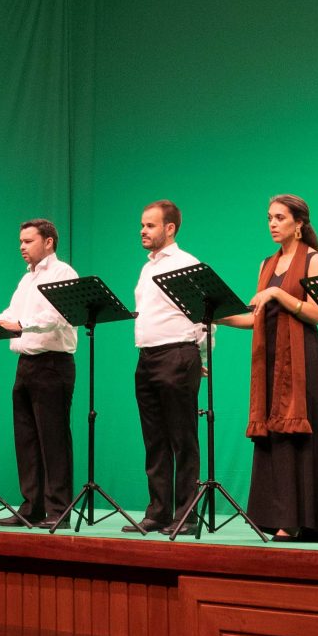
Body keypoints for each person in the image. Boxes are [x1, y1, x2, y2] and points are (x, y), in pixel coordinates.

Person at [217, 195, 318, 541]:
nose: (272, 223)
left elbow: (316, 314)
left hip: (300, 360)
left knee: (297, 433)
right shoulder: (266, 264)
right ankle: (276, 516)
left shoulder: (315, 260)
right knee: (272, 435)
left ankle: (301, 519)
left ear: (299, 224)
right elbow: (256, 317)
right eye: (269, 217)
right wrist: (218, 317)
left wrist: (278, 295)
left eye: (280, 217)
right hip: (268, 360)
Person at [0, 219, 79, 528]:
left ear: (49, 242)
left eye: (28, 241)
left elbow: (56, 316)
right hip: (26, 365)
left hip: (53, 364)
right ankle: (32, 507)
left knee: (53, 440)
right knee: (26, 440)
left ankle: (59, 511)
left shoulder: (63, 273)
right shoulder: (26, 280)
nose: (22, 247)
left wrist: (19, 325)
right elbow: (12, 313)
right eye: (20, 241)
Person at [132, 199, 206, 535]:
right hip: (147, 357)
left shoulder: (185, 263)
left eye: (150, 225)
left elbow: (204, 313)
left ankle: (186, 515)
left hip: (177, 354)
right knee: (154, 440)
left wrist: (200, 356)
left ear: (170, 228)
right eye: (142, 225)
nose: (143, 230)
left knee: (182, 439)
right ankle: (158, 511)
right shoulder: (146, 268)